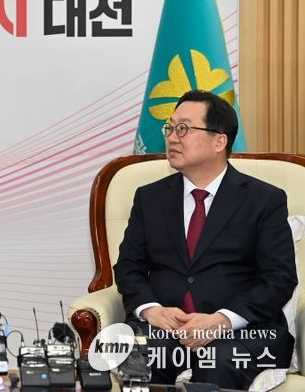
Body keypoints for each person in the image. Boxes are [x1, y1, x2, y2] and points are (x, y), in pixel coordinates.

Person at [114, 89, 297, 389]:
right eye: (170, 128)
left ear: (219, 141)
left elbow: (279, 278)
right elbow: (128, 267)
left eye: (183, 129)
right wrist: (151, 310)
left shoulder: (264, 200)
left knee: (218, 361)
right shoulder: (150, 198)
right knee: (140, 353)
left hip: (242, 331)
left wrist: (222, 320)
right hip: (165, 328)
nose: (172, 138)